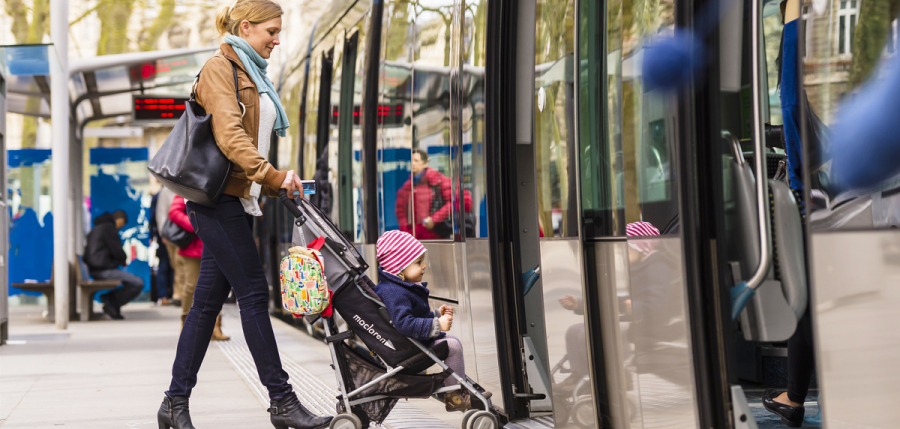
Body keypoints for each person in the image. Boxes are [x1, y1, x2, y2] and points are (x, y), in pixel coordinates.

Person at [157, 2, 332, 428]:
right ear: (247, 27)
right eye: (271, 31)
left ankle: (173, 404)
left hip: (238, 200)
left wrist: (268, 180)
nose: (277, 38)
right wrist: (270, 176)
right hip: (218, 201)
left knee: (205, 306)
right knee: (254, 293)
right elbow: (230, 134)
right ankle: (283, 402)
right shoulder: (221, 68)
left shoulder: (253, 72)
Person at [762, 2, 817, 426]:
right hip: (827, 192)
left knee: (806, 300)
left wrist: (795, 14)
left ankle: (795, 396)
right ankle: (794, 396)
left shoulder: (796, 69)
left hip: (813, 197)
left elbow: (795, 100)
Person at [373, 230, 490, 411]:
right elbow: (403, 323)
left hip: (411, 344)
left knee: (452, 343)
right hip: (408, 350)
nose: (424, 266)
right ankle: (455, 397)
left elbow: (410, 317)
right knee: (453, 346)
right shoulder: (394, 292)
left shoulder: (395, 287)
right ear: (399, 268)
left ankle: (457, 393)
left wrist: (434, 315)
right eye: (418, 262)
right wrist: (436, 324)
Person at [169, 195, 229, 341]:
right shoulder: (188, 182)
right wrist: (196, 225)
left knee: (218, 287)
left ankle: (215, 327)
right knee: (191, 287)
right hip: (193, 248)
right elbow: (174, 212)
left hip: (216, 243)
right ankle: (186, 326)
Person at [395, 149, 473, 239]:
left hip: (438, 236)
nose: (413, 164)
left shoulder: (438, 180)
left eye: (416, 161)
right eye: (411, 161)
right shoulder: (406, 188)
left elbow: (459, 201)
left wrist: (434, 219)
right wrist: (407, 236)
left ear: (425, 163)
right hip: (416, 240)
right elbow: (401, 214)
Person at [84, 210, 144, 320]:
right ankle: (111, 300)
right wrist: (123, 259)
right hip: (102, 269)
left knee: (134, 281)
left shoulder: (99, 227)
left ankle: (111, 301)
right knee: (138, 283)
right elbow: (117, 251)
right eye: (121, 225)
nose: (119, 228)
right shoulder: (108, 228)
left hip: (96, 268)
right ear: (120, 220)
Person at [157, 186, 182, 306]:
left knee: (183, 265)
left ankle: (181, 294)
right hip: (174, 235)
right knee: (177, 265)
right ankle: (178, 294)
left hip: (188, 234)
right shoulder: (166, 191)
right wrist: (164, 234)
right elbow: (161, 213)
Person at [150, 190, 173, 305]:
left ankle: (170, 295)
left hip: (172, 236)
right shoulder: (161, 194)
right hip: (166, 236)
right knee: (164, 266)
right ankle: (164, 296)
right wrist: (161, 234)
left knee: (173, 267)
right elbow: (155, 217)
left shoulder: (164, 193)